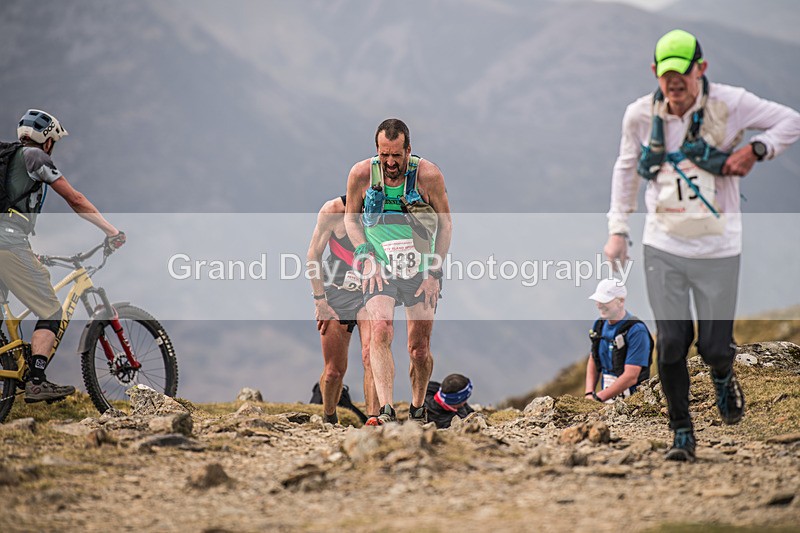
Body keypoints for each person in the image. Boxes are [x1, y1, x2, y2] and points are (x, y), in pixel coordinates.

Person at [603, 30, 800, 461]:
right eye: (667, 74)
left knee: (713, 347)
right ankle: (681, 433)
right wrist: (618, 229)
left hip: (719, 248)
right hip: (663, 245)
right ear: (655, 73)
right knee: (672, 341)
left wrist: (756, 149)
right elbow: (625, 169)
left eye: (683, 73)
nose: (675, 83)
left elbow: (791, 119)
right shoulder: (639, 115)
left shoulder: (731, 103)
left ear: (701, 69)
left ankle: (724, 374)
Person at [0, 109, 125, 403]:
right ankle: (36, 380)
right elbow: (75, 199)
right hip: (8, 243)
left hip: (11, 245)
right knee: (51, 311)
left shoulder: (5, 161)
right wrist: (111, 231)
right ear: (47, 140)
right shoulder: (34, 158)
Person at [345, 118, 453, 425]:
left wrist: (434, 271)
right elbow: (351, 220)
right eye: (384, 155)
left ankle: (418, 408)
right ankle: (386, 410)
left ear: (409, 149)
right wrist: (365, 253)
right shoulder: (361, 174)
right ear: (376, 150)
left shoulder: (428, 176)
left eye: (397, 155)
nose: (391, 162)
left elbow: (446, 225)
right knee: (380, 329)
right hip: (379, 267)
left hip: (420, 268)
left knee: (419, 349)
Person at [307, 195, 379, 424]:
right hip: (337, 294)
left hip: (370, 293)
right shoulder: (334, 210)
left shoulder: (389, 209)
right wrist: (320, 300)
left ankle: (374, 419)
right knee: (333, 372)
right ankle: (329, 416)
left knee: (371, 357)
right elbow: (313, 255)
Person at [584, 279, 653, 403]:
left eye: (605, 301)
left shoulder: (637, 331)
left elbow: (631, 376)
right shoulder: (599, 325)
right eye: (598, 300)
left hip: (633, 403)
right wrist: (589, 394)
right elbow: (593, 358)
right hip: (605, 400)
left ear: (621, 301)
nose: (599, 305)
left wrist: (598, 398)